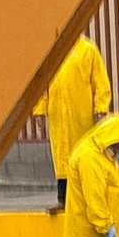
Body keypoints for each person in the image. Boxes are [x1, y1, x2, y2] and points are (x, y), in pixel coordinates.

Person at [33, 36, 112, 213]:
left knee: (83, 156)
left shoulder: (88, 50)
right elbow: (42, 83)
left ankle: (87, 200)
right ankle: (63, 199)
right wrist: (40, 109)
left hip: (82, 115)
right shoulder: (52, 52)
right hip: (58, 114)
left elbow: (100, 81)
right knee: (61, 158)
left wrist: (101, 107)